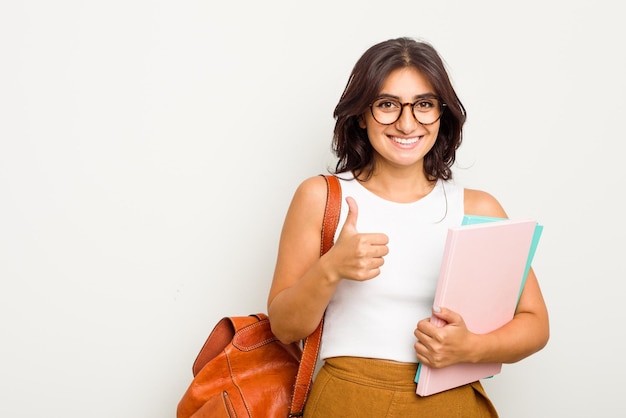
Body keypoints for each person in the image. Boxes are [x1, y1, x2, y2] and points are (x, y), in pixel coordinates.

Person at [267, 37, 549, 417]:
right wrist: (331, 269)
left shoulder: (478, 207)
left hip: (450, 403)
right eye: (387, 105)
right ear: (361, 114)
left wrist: (471, 348)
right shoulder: (321, 196)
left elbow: (535, 324)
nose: (406, 122)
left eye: (424, 105)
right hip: (346, 401)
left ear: (441, 114)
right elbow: (284, 327)